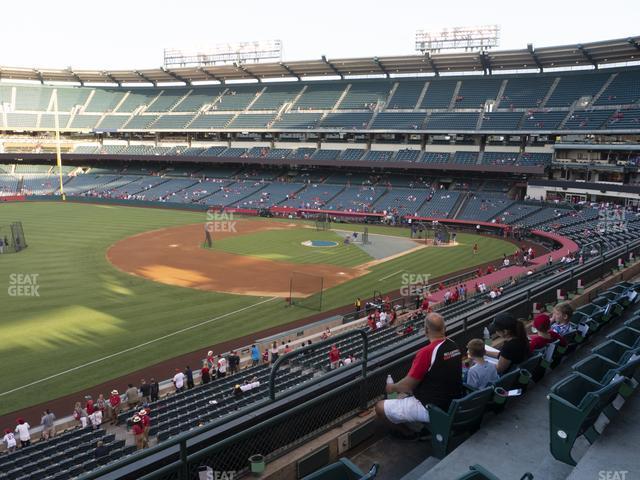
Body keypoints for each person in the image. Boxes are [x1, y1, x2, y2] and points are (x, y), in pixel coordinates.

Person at [375, 313, 462, 438]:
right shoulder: (454, 344)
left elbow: (408, 386)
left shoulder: (427, 352)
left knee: (379, 407)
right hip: (454, 401)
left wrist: (392, 387)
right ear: (444, 328)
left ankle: (409, 434)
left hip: (434, 407)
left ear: (426, 330)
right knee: (406, 395)